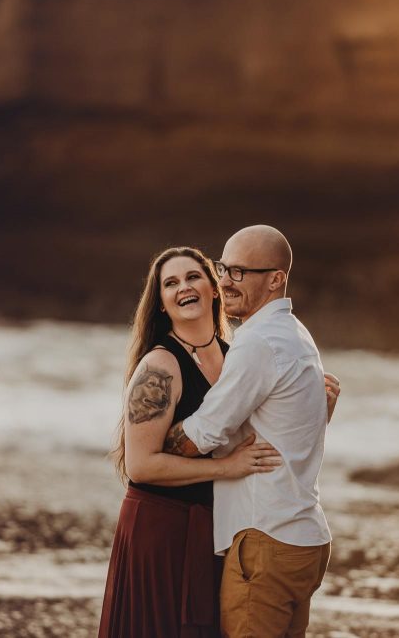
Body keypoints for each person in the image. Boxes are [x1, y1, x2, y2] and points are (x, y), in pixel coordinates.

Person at [98, 246, 284, 638]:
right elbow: (140, 466)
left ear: (214, 289)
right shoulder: (160, 366)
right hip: (160, 529)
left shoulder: (237, 358)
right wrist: (225, 468)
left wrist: (321, 407)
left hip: (213, 528)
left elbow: (264, 441)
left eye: (193, 276)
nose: (183, 287)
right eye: (171, 283)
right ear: (162, 303)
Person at [163, 225, 335, 638]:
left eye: (239, 272)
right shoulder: (297, 334)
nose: (224, 281)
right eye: (223, 268)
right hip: (303, 536)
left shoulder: (258, 341)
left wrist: (154, 441)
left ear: (275, 279)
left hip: (266, 538)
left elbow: (201, 435)